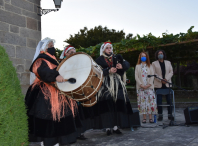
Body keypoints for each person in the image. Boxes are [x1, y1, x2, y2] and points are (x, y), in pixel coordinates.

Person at [25, 37, 82, 146]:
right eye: (50, 46)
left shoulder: (53, 59)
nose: (53, 48)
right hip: (44, 92)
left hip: (57, 90)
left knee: (60, 116)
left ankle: (56, 141)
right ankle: (45, 142)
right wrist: (56, 76)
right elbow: (43, 71)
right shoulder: (40, 59)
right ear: (44, 48)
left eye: (53, 46)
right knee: (46, 117)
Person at [93, 42, 133, 136]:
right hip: (105, 85)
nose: (109, 49)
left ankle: (116, 127)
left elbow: (127, 63)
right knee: (107, 105)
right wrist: (108, 71)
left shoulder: (117, 57)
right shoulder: (99, 60)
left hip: (117, 84)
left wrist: (122, 66)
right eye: (107, 48)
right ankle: (108, 127)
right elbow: (96, 72)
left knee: (117, 104)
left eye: (110, 48)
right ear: (103, 49)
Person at [60, 45, 94, 140]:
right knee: (69, 113)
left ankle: (79, 133)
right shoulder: (61, 64)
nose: (73, 54)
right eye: (71, 52)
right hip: (66, 92)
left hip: (76, 91)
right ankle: (70, 135)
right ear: (66, 53)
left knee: (78, 113)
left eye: (74, 53)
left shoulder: (77, 64)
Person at [135, 52, 158, 123]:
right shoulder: (137, 66)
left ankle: (150, 118)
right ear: (140, 57)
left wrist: (149, 84)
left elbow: (152, 76)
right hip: (141, 88)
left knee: (150, 102)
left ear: (147, 57)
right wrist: (141, 85)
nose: (143, 57)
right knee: (142, 103)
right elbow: (136, 77)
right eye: (142, 56)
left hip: (149, 88)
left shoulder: (150, 66)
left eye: (145, 56)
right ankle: (144, 118)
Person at [152, 50, 174, 121]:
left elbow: (171, 72)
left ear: (164, 54)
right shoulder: (154, 63)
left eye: (161, 54)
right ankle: (160, 115)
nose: (160, 55)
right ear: (157, 55)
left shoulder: (168, 62)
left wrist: (166, 79)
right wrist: (161, 79)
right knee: (159, 101)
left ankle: (170, 115)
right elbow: (154, 73)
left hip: (167, 84)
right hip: (158, 84)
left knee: (169, 101)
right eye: (159, 54)